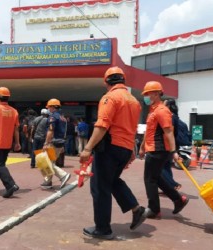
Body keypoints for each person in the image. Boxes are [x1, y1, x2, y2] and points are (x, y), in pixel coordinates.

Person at [79, 66, 146, 240]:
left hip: (110, 147)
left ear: (106, 82)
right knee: (112, 181)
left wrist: (87, 148)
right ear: (123, 80)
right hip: (124, 148)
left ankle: (103, 229)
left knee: (100, 187)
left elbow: (102, 125)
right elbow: (132, 128)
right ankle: (136, 209)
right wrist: (131, 149)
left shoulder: (110, 98)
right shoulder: (134, 101)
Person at [139, 81, 189, 219]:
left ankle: (154, 209)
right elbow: (148, 132)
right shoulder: (153, 111)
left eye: (147, 94)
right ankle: (179, 200)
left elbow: (168, 132)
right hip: (153, 149)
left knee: (149, 179)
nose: (146, 97)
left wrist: (174, 152)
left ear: (156, 93)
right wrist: (143, 147)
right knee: (157, 178)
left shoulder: (162, 111)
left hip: (158, 150)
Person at [41, 98, 71, 189]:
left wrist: (46, 142)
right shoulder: (63, 118)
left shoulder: (52, 117)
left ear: (53, 107)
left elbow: (51, 130)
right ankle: (47, 181)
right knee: (50, 162)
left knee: (46, 163)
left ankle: (63, 175)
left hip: (53, 142)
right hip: (60, 142)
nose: (48, 109)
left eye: (49, 107)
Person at [161, 98, 182, 190]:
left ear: (168, 106)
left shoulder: (171, 117)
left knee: (160, 167)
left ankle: (173, 184)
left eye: (164, 104)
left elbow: (170, 132)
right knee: (166, 166)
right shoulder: (175, 116)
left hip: (168, 144)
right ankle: (170, 186)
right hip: (172, 144)